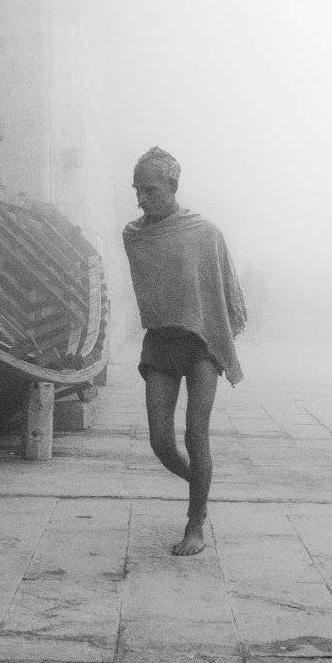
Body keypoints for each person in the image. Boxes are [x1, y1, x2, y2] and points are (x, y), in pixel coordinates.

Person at [123, 146, 246, 556]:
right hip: (161, 342)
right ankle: (200, 485)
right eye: (137, 190)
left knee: (196, 433)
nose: (141, 199)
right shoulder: (134, 236)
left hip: (201, 344)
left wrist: (219, 326)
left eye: (151, 190)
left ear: (173, 186)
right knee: (160, 442)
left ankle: (196, 522)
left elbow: (220, 285)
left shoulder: (205, 233)